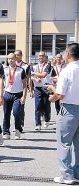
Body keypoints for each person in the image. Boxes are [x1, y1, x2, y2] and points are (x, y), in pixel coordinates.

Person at [47, 43, 79, 184]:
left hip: (69, 110)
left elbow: (60, 94)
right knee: (78, 144)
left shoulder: (67, 70)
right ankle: (77, 172)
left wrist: (51, 92)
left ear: (69, 54)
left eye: (65, 52)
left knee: (64, 143)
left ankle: (67, 176)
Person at [29, 51, 56, 130]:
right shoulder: (34, 66)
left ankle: (47, 119)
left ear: (45, 57)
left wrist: (33, 73)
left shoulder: (48, 66)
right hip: (37, 88)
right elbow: (30, 77)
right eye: (39, 56)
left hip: (46, 88)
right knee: (37, 106)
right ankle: (38, 124)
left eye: (42, 56)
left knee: (46, 106)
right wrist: (34, 78)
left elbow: (43, 75)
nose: (40, 57)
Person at [2, 53, 27, 140]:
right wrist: (1, 95)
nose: (10, 60)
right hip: (7, 93)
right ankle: (6, 132)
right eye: (9, 59)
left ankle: (17, 129)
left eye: (12, 58)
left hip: (18, 94)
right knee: (6, 113)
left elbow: (24, 84)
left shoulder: (21, 70)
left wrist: (24, 96)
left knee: (16, 113)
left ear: (15, 59)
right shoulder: (4, 70)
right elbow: (1, 82)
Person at [14, 50, 30, 129]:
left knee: (21, 108)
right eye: (15, 55)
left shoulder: (25, 66)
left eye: (18, 55)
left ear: (21, 55)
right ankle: (17, 124)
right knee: (15, 110)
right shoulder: (11, 65)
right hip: (12, 90)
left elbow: (28, 78)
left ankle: (20, 124)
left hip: (21, 90)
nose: (16, 56)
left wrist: (30, 89)